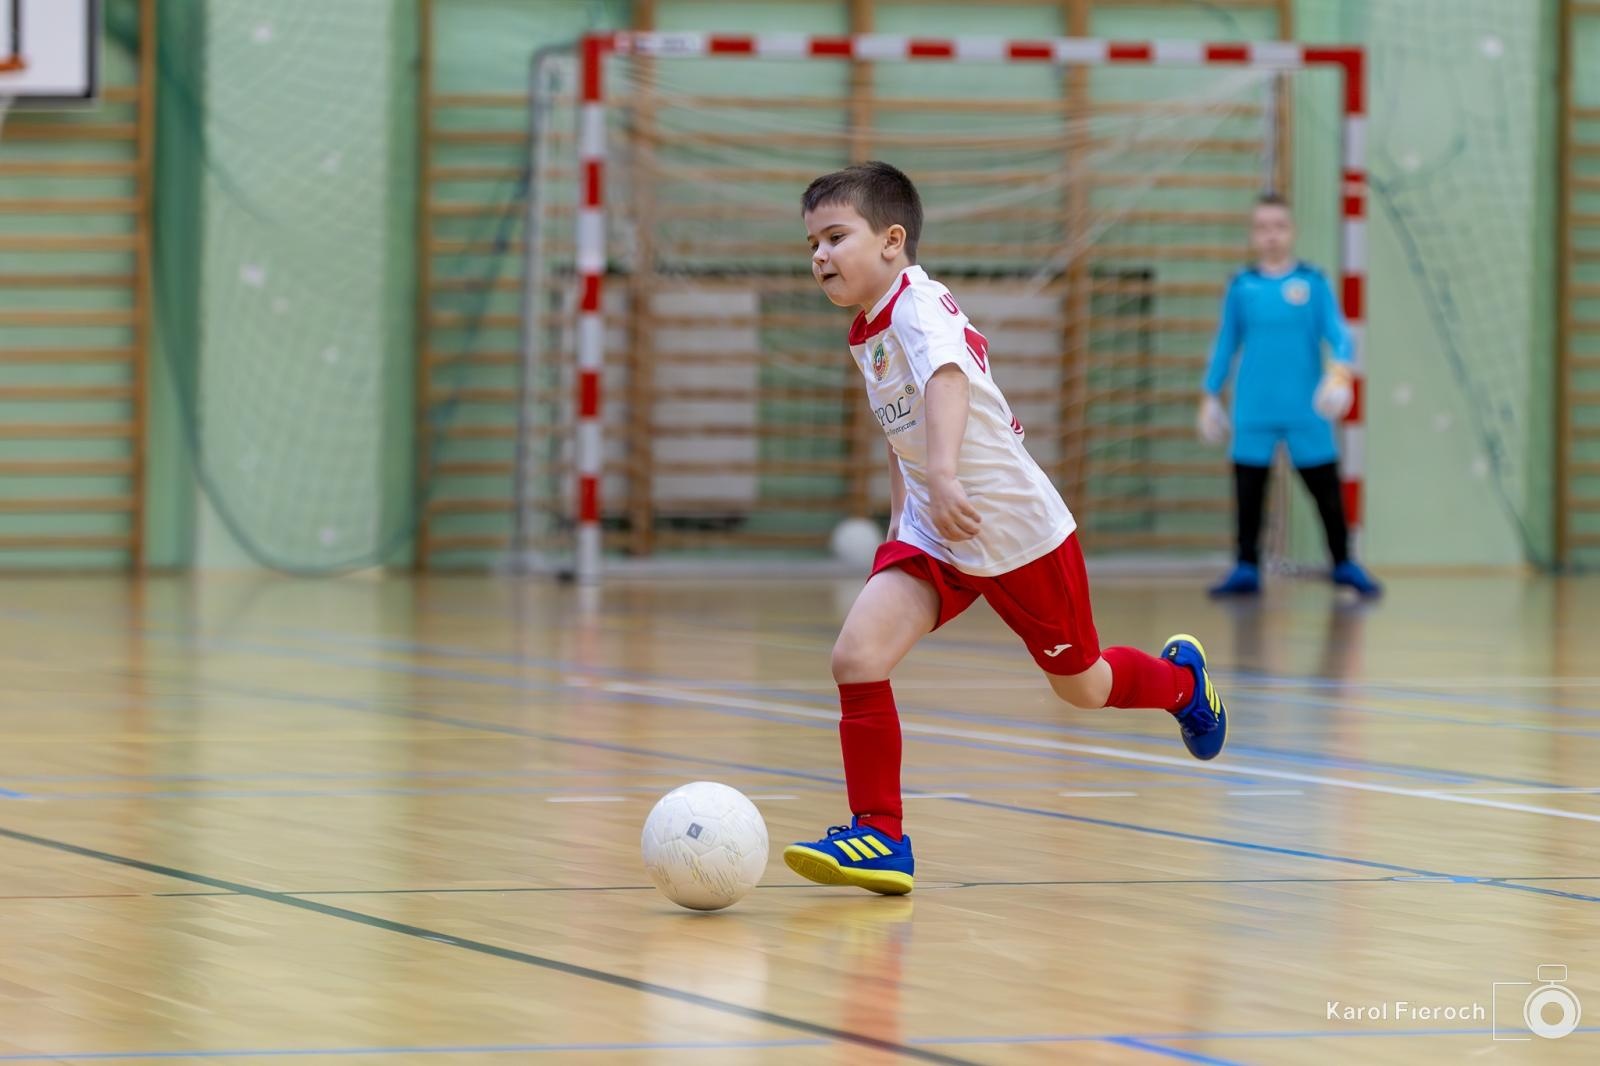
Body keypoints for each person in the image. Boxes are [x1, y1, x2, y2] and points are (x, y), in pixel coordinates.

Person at [784, 161, 1228, 897]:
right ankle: (881, 835)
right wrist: (904, 515)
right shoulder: (870, 328)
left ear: (892, 240)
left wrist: (945, 475)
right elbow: (902, 428)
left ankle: (1183, 685)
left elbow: (946, 381)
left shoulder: (918, 305)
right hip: (936, 531)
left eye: (835, 237)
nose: (820, 256)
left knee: (1082, 686)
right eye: (812, 245)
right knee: (857, 656)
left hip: (1013, 529)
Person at [1198, 194, 1382, 598]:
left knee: (1327, 493)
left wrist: (1340, 374)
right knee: (1249, 495)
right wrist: (1210, 395)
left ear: (1292, 232)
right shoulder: (1242, 287)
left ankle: (1344, 562)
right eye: (1263, 228)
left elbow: (1339, 336)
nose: (1272, 235)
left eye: (1279, 226)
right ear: (1253, 235)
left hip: (1306, 409)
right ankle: (1246, 566)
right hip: (1253, 409)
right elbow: (1226, 343)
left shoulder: (1313, 284)